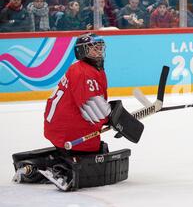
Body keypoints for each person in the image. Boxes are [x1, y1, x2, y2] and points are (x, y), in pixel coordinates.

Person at [12, 33, 143, 191]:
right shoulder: (84, 73)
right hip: (68, 130)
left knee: (98, 149)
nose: (98, 52)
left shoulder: (87, 69)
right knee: (93, 151)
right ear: (81, 52)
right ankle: (61, 170)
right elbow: (95, 112)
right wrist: (117, 121)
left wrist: (115, 119)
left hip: (61, 125)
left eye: (100, 48)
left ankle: (47, 164)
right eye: (93, 49)